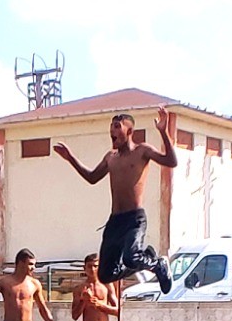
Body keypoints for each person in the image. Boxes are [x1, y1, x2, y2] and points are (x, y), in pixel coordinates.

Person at [53, 107, 179, 293]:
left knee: (130, 257)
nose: (112, 131)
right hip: (114, 222)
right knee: (105, 274)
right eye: (111, 127)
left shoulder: (142, 151)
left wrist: (163, 131)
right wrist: (71, 158)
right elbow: (92, 177)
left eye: (117, 126)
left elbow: (171, 161)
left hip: (134, 219)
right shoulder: (110, 157)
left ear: (129, 131)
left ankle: (157, 264)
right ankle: (149, 259)